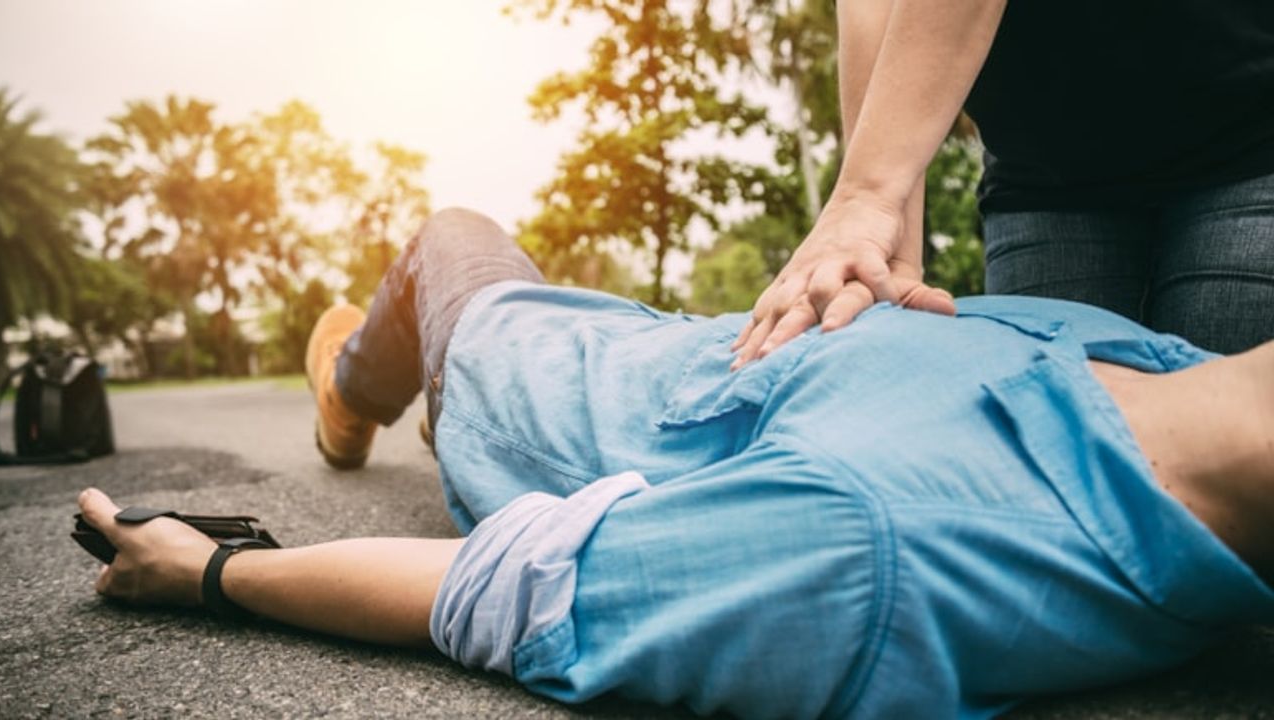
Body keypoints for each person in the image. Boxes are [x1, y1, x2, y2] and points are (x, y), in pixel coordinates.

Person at [79, 209, 1274, 718]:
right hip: (671, 345)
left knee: (450, 235)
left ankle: (350, 399)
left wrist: (208, 573)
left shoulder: (871, 543)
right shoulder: (1154, 357)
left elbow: (504, 587)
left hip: (520, 377)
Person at [733, 0, 1274, 368]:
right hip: (1045, 172)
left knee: (1220, 457)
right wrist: (888, 245)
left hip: (1247, 137)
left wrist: (866, 195)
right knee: (1054, 450)